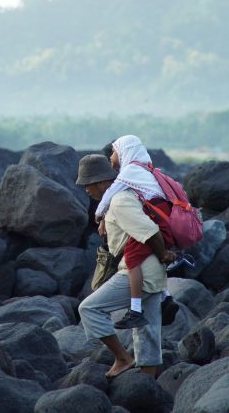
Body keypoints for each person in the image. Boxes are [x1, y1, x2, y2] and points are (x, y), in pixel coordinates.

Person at [76, 154, 176, 378]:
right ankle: (147, 384)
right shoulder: (122, 197)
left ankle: (122, 358)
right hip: (152, 272)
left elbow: (149, 231)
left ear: (102, 183)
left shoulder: (120, 201)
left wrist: (163, 253)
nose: (86, 190)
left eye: (88, 184)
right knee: (147, 330)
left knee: (89, 309)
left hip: (139, 271)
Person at [95, 135, 176, 329]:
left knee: (131, 259)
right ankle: (166, 297)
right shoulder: (146, 169)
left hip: (158, 220)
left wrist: (99, 214)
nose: (112, 157)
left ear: (125, 152)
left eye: (114, 152)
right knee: (146, 257)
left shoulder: (130, 171)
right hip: (163, 218)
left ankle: (135, 310)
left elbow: (110, 194)